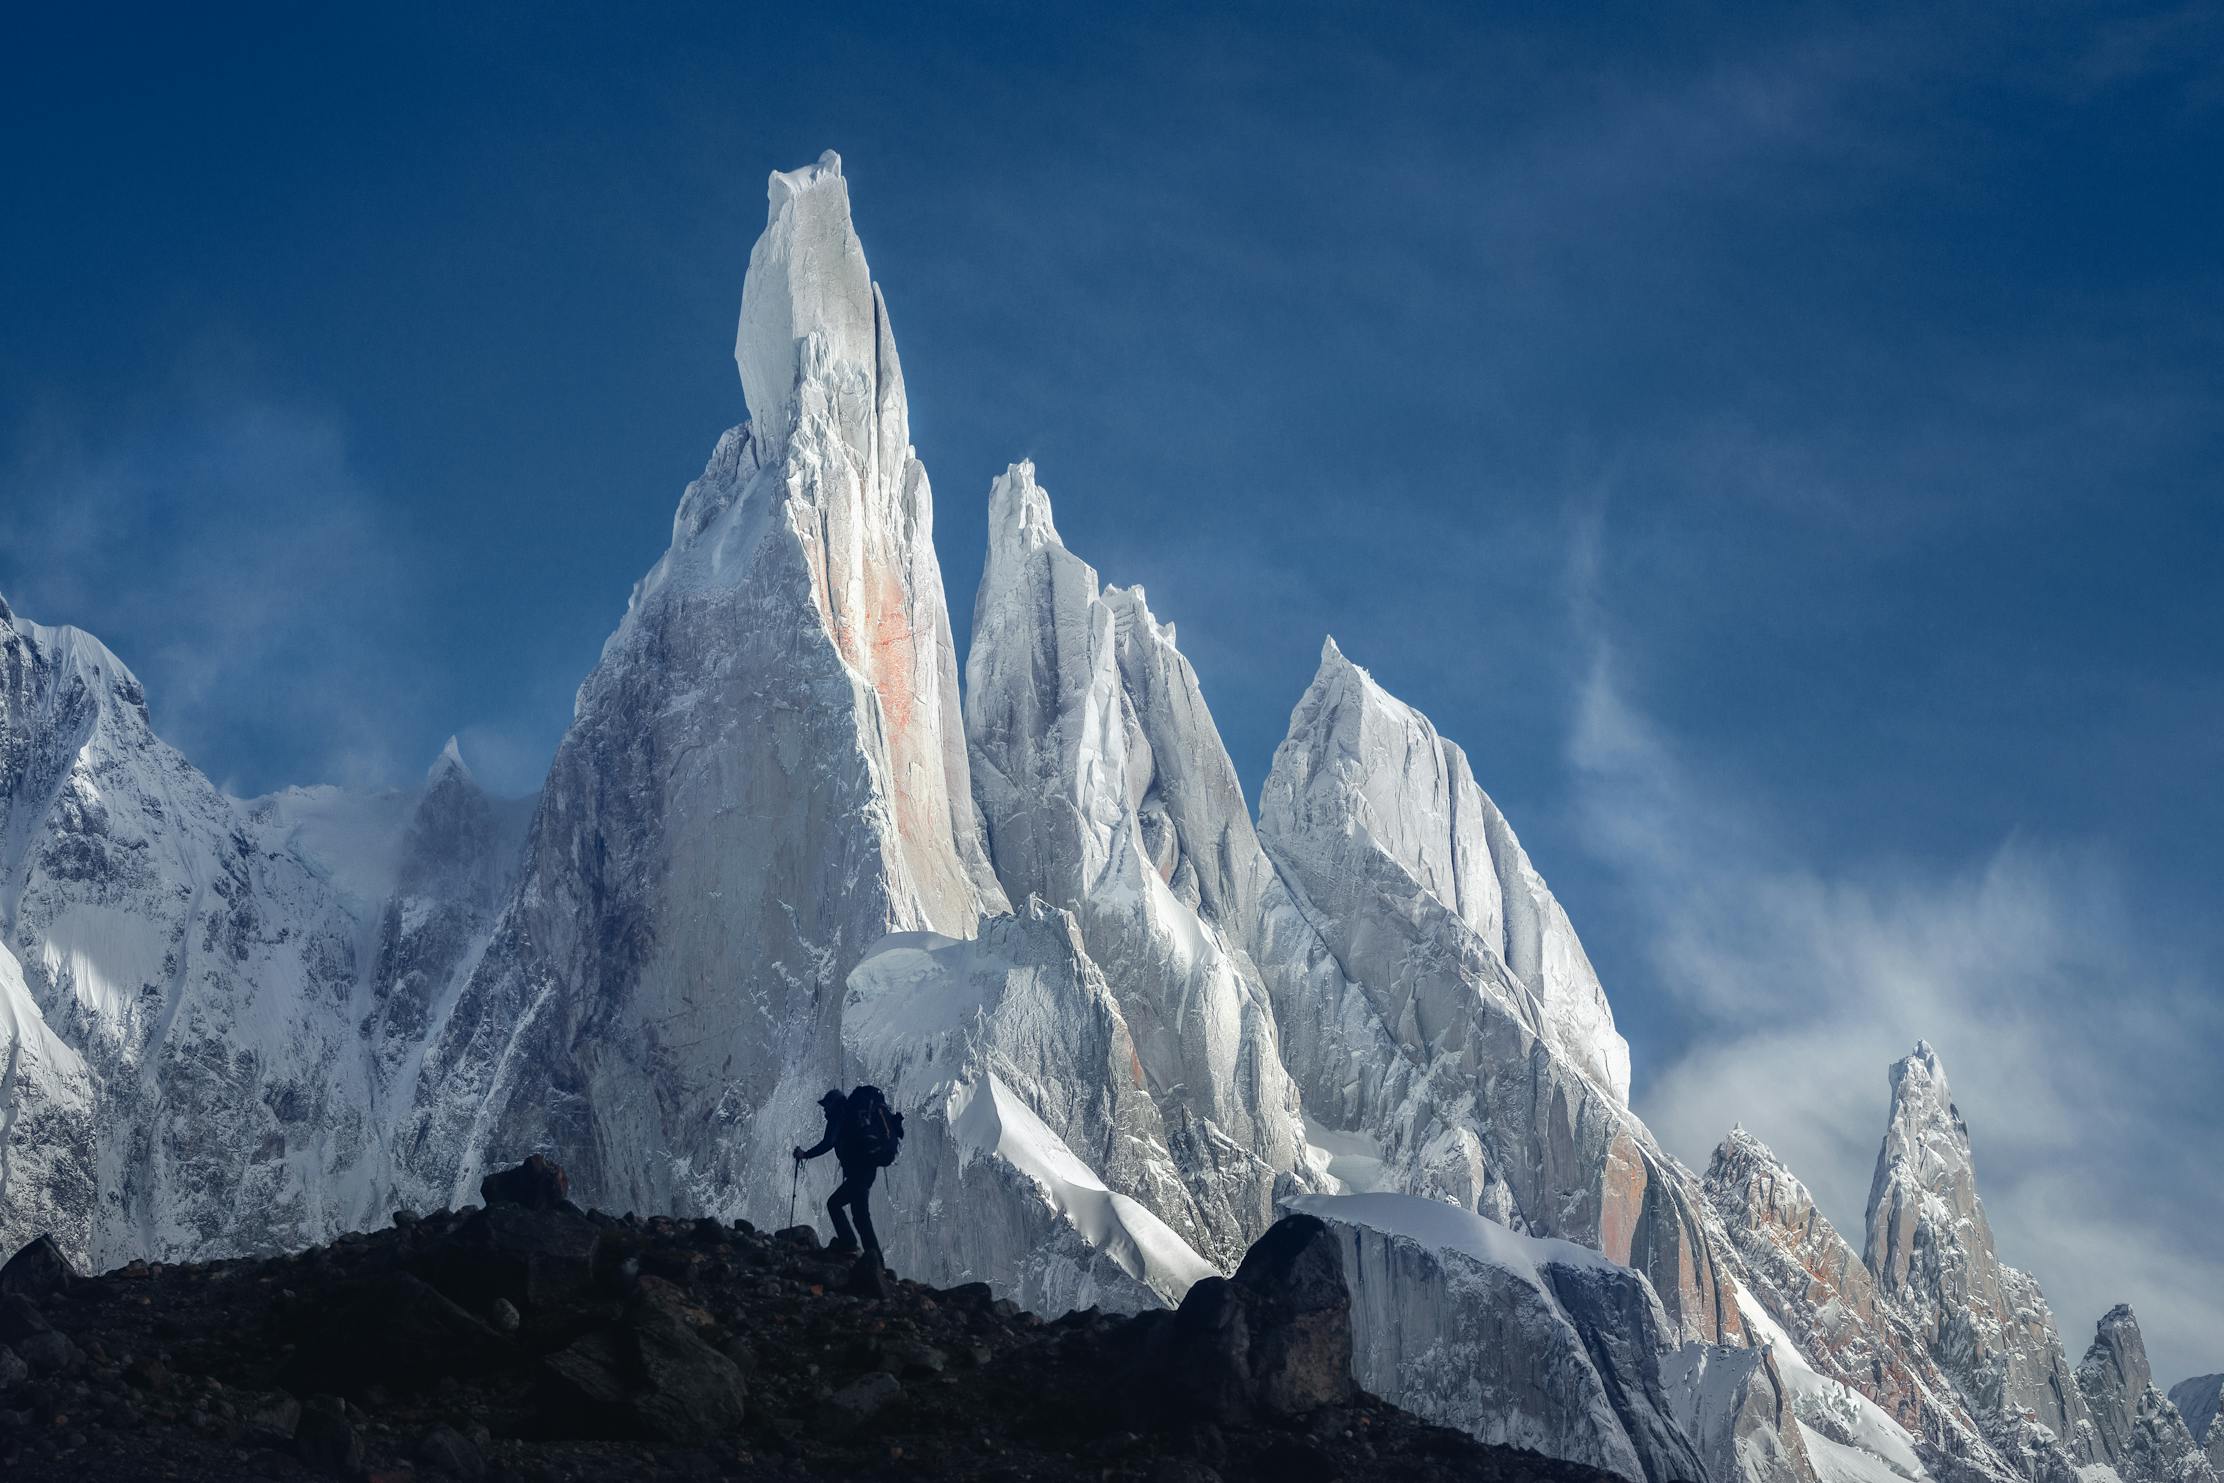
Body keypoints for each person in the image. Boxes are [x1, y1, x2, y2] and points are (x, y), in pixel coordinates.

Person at [793, 1086, 898, 1258]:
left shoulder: (839, 1114)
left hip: (859, 1172)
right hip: (866, 1170)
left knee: (835, 1204)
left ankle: (850, 1244)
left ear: (832, 1103)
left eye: (826, 1106)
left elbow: (828, 1142)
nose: (825, 1110)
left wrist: (805, 1154)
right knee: (860, 1216)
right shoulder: (851, 1114)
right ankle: (874, 1260)